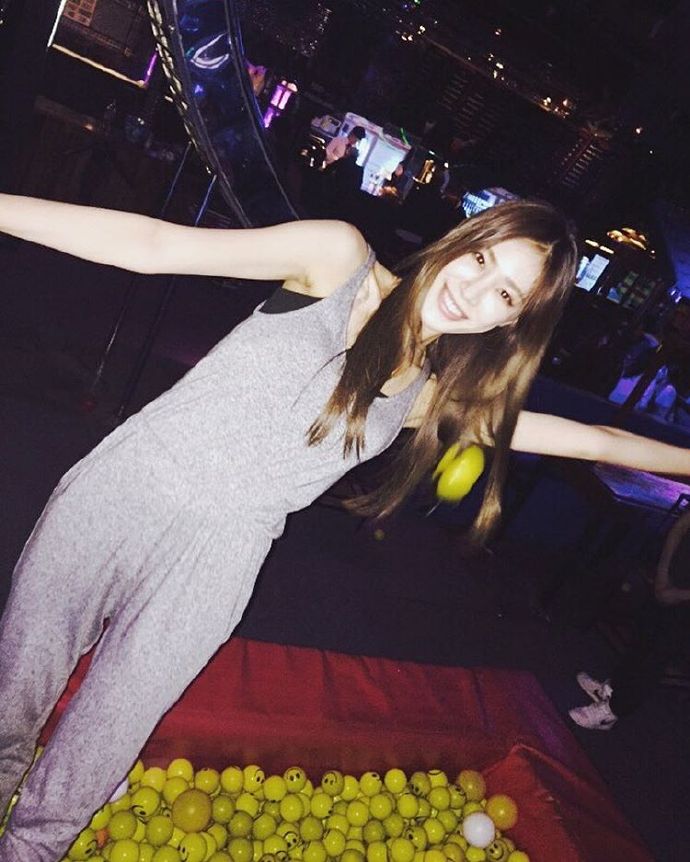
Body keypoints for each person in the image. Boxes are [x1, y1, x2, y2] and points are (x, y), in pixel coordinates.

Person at [1, 196, 690, 861]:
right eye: (482, 259)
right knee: (13, 696)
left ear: (512, 322)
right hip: (127, 487)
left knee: (103, 741)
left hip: (218, 562)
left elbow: (595, 440)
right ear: (462, 240)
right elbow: (153, 245)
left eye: (505, 294)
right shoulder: (337, 259)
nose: (474, 291)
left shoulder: (425, 397)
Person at [569, 509, 690, 731]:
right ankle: (611, 691)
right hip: (669, 580)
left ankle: (612, 711)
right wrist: (662, 575)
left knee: (656, 657)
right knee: (642, 639)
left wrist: (679, 595)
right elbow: (681, 526)